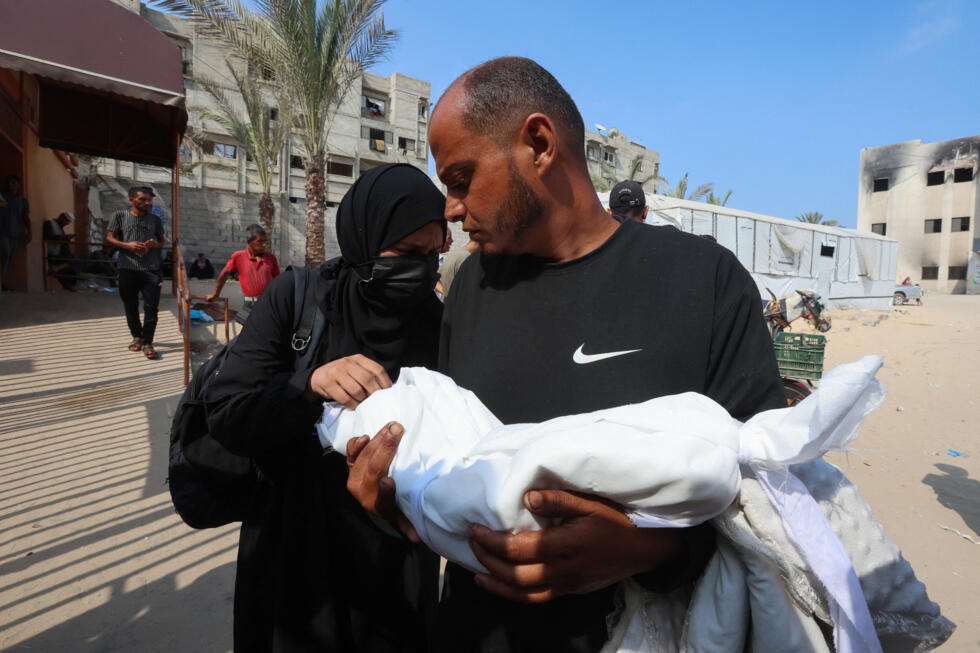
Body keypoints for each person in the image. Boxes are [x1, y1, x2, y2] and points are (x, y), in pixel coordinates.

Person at [346, 57, 786, 652]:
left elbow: (771, 498)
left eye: (459, 178)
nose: (449, 207)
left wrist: (652, 552)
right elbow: (451, 450)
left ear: (539, 143)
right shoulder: (474, 287)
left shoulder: (702, 281)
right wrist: (394, 490)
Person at [203, 163, 446, 652]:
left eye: (432, 255)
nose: (420, 270)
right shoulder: (296, 300)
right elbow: (228, 415)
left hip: (394, 557)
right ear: (363, 239)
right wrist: (309, 385)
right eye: (405, 253)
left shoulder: (437, 324)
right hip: (294, 548)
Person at [106, 186, 166, 359]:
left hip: (151, 270)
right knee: (130, 305)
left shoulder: (154, 220)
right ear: (131, 199)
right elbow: (109, 238)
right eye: (143, 199)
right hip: (127, 268)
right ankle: (137, 337)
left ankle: (148, 342)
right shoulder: (119, 216)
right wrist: (128, 245)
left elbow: (162, 241)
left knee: (151, 307)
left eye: (149, 200)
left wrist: (155, 244)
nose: (147, 202)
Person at [205, 224, 279, 308]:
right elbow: (224, 274)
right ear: (249, 241)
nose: (264, 244)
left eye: (265, 241)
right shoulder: (238, 257)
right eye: (260, 241)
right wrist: (215, 294)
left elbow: (278, 281)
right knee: (247, 321)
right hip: (249, 304)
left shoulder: (271, 258)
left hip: (268, 303)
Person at [0, 174, 31, 291]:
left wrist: (29, 231)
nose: (10, 185)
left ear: (18, 185)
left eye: (13, 182)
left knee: (10, 258)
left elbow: (25, 217)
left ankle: (4, 283)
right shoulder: (2, 197)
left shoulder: (23, 201)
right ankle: (3, 282)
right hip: (2, 231)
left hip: (15, 232)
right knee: (6, 254)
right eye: (9, 182)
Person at [43, 211, 81, 291]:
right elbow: (48, 236)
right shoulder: (49, 224)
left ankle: (58, 271)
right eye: (66, 221)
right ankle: (57, 269)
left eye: (68, 222)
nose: (66, 223)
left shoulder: (60, 228)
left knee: (75, 264)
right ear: (61, 217)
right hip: (55, 254)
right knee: (73, 261)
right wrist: (63, 238)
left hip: (63, 254)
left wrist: (67, 238)